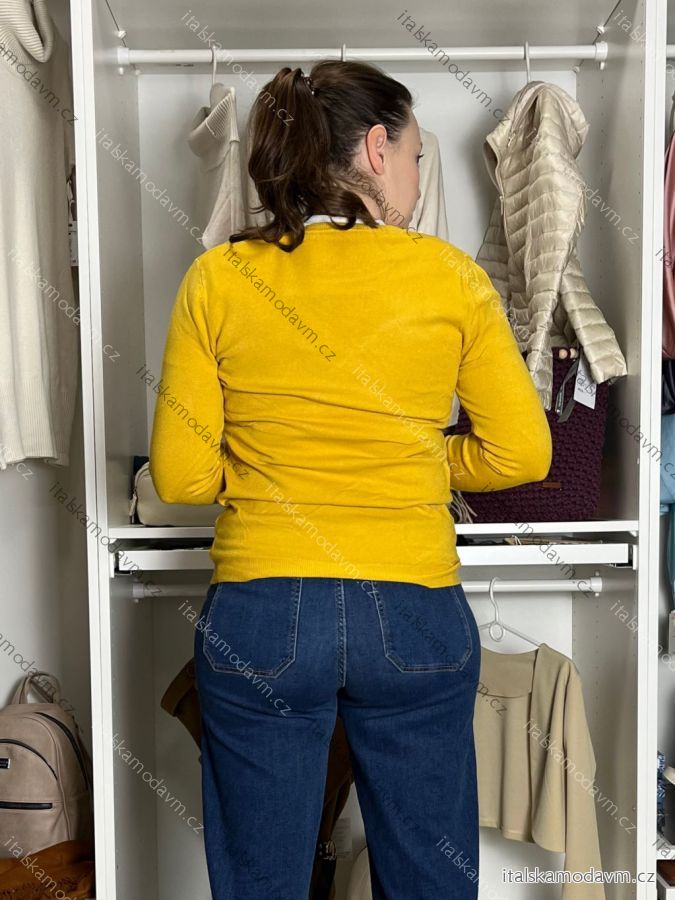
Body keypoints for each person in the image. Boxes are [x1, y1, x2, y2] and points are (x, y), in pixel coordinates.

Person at [149, 59, 552, 900]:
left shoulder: (218, 278)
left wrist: (277, 466)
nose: (414, 177)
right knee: (429, 880)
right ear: (375, 148)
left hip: (262, 613)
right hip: (412, 611)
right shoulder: (449, 277)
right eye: (412, 155)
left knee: (261, 883)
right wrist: (414, 456)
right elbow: (521, 455)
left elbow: (181, 477)